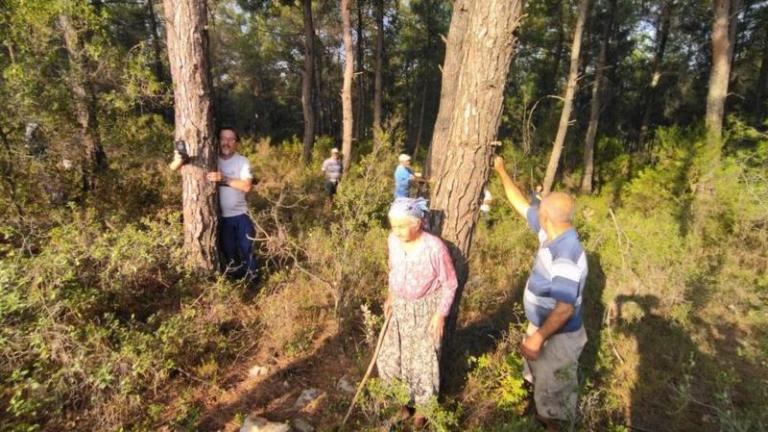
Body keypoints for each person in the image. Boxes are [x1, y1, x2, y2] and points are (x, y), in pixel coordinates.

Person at [493, 156, 588, 431]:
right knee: (540, 385)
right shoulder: (552, 232)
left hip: (557, 337)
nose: (536, 214)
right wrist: (501, 171)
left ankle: (550, 424)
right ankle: (538, 415)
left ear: (547, 216)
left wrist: (538, 338)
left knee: (555, 401)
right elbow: (521, 204)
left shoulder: (566, 255)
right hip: (544, 328)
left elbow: (565, 308)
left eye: (540, 212)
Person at [377, 197, 458, 428]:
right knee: (390, 358)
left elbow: (450, 283)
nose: (398, 231)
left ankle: (422, 412)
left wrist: (440, 314)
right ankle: (401, 406)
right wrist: (391, 296)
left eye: (402, 226)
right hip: (400, 307)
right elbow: (393, 269)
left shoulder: (434, 247)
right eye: (394, 226)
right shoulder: (392, 240)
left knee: (424, 362)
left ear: (418, 223)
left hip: (426, 311)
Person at [171, 128, 257, 280]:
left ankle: (253, 279)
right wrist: (179, 159)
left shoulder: (242, 161)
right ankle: (236, 281)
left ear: (236, 143)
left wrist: (224, 179)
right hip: (219, 218)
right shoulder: (210, 158)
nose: (227, 143)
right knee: (228, 251)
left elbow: (247, 186)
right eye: (224, 139)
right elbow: (174, 168)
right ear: (217, 140)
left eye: (231, 139)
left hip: (240, 215)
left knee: (246, 249)